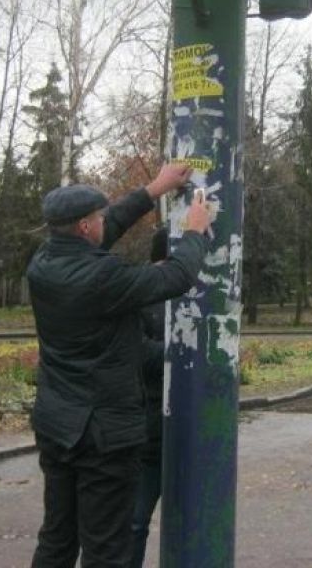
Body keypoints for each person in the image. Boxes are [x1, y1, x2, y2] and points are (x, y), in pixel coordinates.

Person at [27, 164, 210, 568]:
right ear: (83, 228)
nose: (102, 223)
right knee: (106, 550)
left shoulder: (43, 262)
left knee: (57, 539)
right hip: (102, 438)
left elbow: (109, 229)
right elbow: (176, 278)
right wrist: (195, 232)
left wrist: (154, 190)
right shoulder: (102, 276)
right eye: (96, 218)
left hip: (58, 427)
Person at [129, 227, 169, 568]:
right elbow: (136, 354)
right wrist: (184, 353)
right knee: (133, 523)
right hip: (149, 434)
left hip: (184, 434)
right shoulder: (139, 296)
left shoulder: (199, 296)